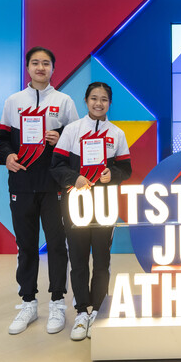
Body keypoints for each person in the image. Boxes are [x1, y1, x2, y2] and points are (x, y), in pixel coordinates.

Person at [0, 46, 78, 335]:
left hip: (54, 185)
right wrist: (6, 156)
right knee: (26, 245)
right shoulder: (14, 101)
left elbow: (77, 144)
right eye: (35, 63)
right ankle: (28, 302)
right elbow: (3, 140)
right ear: (28, 68)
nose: (40, 67)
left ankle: (57, 303)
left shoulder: (64, 101)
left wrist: (60, 138)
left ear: (53, 69)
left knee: (57, 245)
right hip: (21, 183)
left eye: (46, 63)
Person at [51, 82, 131, 341]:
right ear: (86, 101)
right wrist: (74, 179)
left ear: (110, 103)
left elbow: (126, 169)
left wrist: (112, 175)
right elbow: (57, 165)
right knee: (77, 258)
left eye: (104, 99)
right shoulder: (73, 130)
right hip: (76, 204)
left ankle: (98, 310)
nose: (99, 103)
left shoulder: (117, 134)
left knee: (102, 259)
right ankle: (81, 312)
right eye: (94, 98)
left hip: (104, 205)